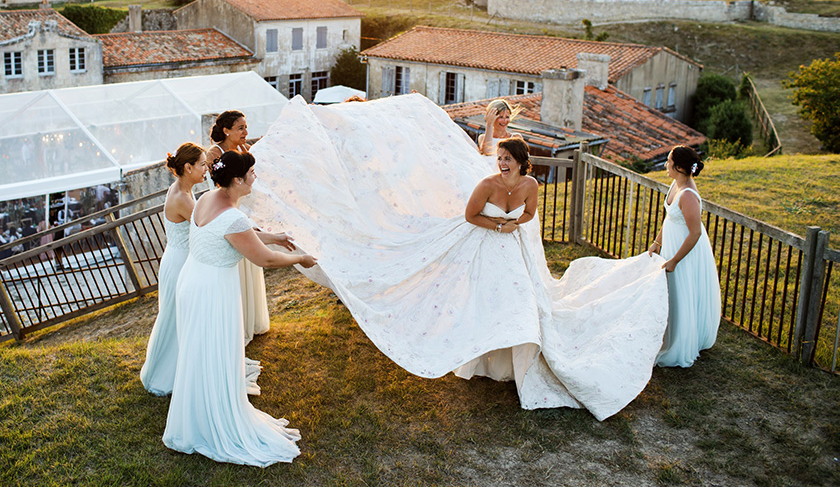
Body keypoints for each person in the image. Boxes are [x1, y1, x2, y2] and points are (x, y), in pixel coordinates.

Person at [238, 93, 668, 421]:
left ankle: (516, 357)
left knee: (522, 298)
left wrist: (514, 227)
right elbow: (470, 215)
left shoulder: (530, 187)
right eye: (497, 157)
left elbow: (531, 214)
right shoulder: (485, 182)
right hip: (487, 240)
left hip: (511, 246)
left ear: (519, 162)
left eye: (505, 159)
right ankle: (493, 357)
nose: (500, 162)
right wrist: (499, 224)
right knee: (492, 298)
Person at [163, 150, 317, 466]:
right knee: (216, 349)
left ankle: (196, 415)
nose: (255, 177)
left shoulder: (207, 198)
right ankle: (214, 420)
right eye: (251, 172)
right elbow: (265, 259)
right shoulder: (234, 217)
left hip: (193, 280)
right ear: (237, 180)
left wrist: (274, 237)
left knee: (200, 351)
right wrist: (300, 258)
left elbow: (242, 236)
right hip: (213, 289)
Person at [140, 143, 208, 396]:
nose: (206, 169)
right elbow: (208, 225)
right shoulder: (181, 197)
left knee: (182, 318)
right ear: (188, 167)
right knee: (177, 319)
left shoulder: (181, 188)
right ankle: (170, 375)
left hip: (179, 258)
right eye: (202, 164)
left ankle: (187, 367)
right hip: (180, 264)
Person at [647, 145, 721, 367]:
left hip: (685, 251)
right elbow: (670, 218)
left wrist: (675, 260)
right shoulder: (675, 184)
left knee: (680, 291)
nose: (666, 165)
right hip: (671, 244)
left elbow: (696, 232)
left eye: (669, 161)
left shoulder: (688, 194)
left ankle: (680, 341)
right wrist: (657, 242)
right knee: (670, 292)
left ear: (679, 166)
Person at [206, 109, 268, 344]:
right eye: (241, 127)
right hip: (227, 212)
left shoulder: (245, 149)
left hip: (245, 209)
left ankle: (250, 320)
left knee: (249, 265)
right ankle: (235, 323)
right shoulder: (214, 152)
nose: (246, 132)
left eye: (246, 127)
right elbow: (219, 184)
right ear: (226, 130)